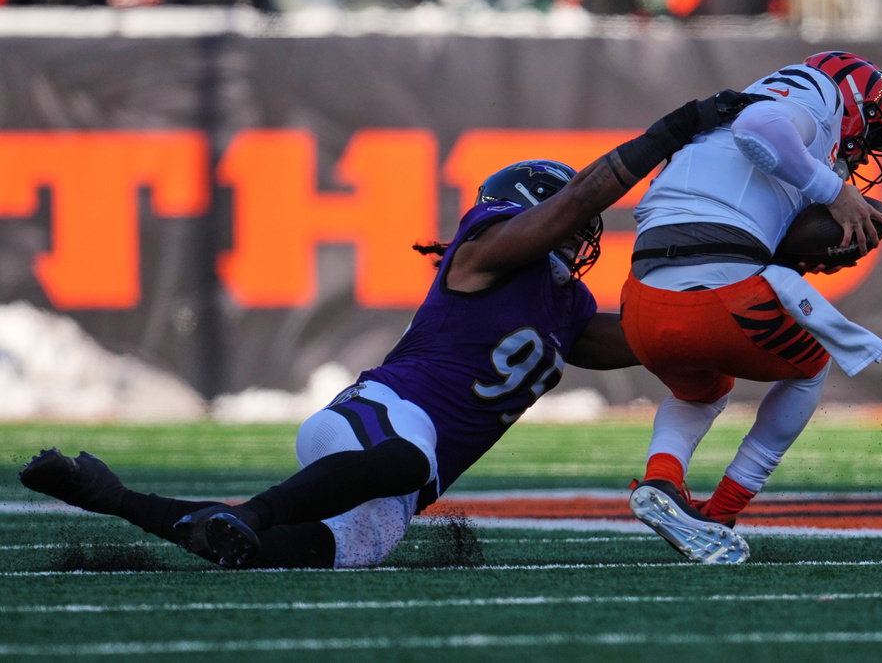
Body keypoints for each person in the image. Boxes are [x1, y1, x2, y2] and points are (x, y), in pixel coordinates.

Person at [19, 87, 765, 568]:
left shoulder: (566, 311)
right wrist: (676, 129)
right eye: (573, 222)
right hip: (378, 425)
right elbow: (569, 209)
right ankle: (254, 507)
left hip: (404, 486)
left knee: (297, 550)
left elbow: (660, 336)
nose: (584, 237)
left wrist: (764, 273)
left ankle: (112, 497)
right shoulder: (481, 254)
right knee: (401, 462)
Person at [623, 51, 882, 554]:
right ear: (856, 102)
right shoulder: (815, 93)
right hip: (720, 292)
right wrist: (832, 190)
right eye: (872, 132)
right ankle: (723, 511)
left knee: (700, 392)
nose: (864, 153)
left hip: (641, 304)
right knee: (810, 365)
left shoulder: (720, 121)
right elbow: (760, 127)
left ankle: (661, 481)